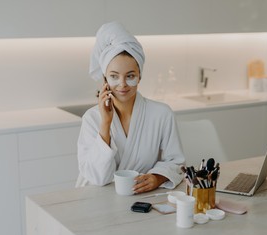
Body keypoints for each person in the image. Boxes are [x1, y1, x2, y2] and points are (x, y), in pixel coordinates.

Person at [76, 21, 185, 194]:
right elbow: (97, 178)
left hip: (140, 198)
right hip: (97, 198)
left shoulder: (162, 114)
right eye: (114, 76)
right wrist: (105, 124)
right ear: (105, 80)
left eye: (130, 76)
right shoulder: (92, 118)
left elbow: (176, 162)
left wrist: (158, 177)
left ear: (140, 76)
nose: (122, 84)